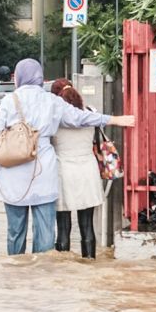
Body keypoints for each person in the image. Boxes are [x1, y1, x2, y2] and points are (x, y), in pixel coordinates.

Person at [0, 59, 134, 256]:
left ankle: (16, 274)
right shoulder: (52, 101)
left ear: (19, 76)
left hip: (12, 173)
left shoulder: (8, 101)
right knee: (46, 233)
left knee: (15, 232)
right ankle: (43, 275)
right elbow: (81, 118)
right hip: (43, 172)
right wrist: (115, 119)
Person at [50, 79, 105, 259]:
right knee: (87, 225)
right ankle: (90, 263)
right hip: (87, 172)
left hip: (63, 172)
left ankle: (64, 269)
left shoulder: (54, 118)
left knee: (63, 228)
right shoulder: (91, 114)